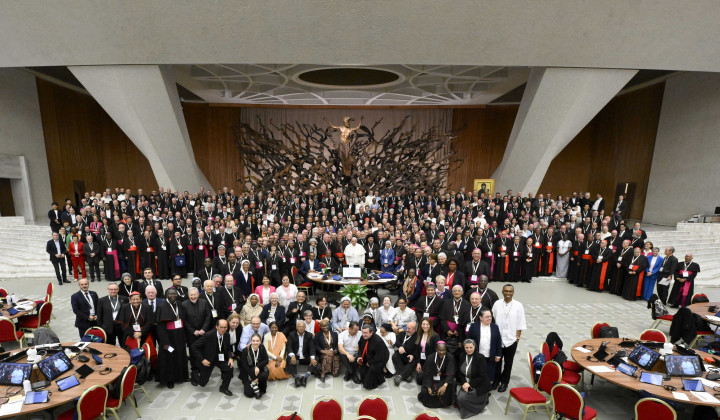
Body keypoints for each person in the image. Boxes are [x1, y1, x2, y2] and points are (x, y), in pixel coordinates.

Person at [491, 284, 526, 392]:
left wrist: (518, 336)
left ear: (513, 292)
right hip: (498, 339)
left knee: (508, 362)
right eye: (506, 291)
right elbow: (492, 319)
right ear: (502, 291)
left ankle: (504, 382)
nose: (508, 293)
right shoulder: (497, 304)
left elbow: (520, 321)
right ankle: (496, 381)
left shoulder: (518, 305)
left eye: (510, 291)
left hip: (511, 339)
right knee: (497, 361)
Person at [190, 319, 235, 396]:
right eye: (221, 327)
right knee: (202, 383)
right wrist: (202, 359)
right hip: (208, 359)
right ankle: (194, 374)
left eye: (225, 327)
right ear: (216, 326)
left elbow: (227, 349)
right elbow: (193, 347)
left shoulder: (227, 335)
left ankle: (224, 388)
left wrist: (230, 358)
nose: (223, 329)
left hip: (220, 358)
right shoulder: (208, 335)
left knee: (229, 368)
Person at [155, 288, 188, 389]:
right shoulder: (162, 306)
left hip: (180, 335)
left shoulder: (179, 304)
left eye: (174, 294)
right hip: (168, 338)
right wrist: (165, 342)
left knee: (181, 355)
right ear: (166, 296)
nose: (173, 295)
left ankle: (182, 376)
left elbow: (184, 319)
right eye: (170, 294)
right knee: (169, 358)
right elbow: (160, 327)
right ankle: (170, 379)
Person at [182, 287, 211, 385]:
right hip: (192, 334)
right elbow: (184, 320)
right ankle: (194, 372)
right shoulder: (184, 304)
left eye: (195, 295)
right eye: (191, 295)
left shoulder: (204, 302)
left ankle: (202, 369)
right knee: (193, 352)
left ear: (198, 294)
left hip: (203, 333)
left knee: (203, 351)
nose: (193, 297)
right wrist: (193, 331)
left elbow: (208, 316)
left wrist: (203, 329)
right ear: (188, 295)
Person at [456, 339, 492, 418]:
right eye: (466, 347)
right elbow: (459, 372)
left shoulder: (480, 357)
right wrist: (464, 383)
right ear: (464, 348)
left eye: (471, 347)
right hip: (466, 382)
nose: (469, 350)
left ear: (474, 347)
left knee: (463, 399)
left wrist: (469, 384)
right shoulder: (462, 356)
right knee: (459, 399)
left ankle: (481, 402)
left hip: (479, 384)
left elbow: (482, 376)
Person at [466, 307, 502, 385]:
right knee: (476, 372)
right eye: (487, 317)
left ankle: (485, 389)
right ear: (480, 317)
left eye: (490, 316)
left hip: (490, 355)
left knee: (488, 373)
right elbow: (468, 340)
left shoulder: (495, 327)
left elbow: (499, 341)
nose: (489, 318)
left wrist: (498, 354)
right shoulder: (474, 326)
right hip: (477, 354)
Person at [417, 341, 456, 408]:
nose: (441, 352)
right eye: (439, 350)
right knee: (425, 391)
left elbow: (450, 373)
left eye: (444, 350)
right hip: (432, 378)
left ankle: (443, 403)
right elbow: (427, 374)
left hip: (444, 379)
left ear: (446, 349)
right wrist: (428, 387)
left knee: (449, 387)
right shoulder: (430, 357)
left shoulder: (450, 357)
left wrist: (445, 385)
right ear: (436, 349)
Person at [355, 323, 390, 389]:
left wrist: (370, 362)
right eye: (363, 332)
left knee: (371, 372)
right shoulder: (363, 337)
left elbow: (380, 356)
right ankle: (364, 379)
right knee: (361, 364)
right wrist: (360, 357)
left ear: (371, 333)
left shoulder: (378, 341)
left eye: (366, 333)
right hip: (368, 356)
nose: (363, 335)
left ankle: (374, 382)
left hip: (379, 360)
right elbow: (361, 348)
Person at [285, 320, 317, 387]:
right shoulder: (291, 334)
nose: (301, 328)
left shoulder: (309, 335)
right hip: (296, 356)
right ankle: (296, 378)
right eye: (300, 326)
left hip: (305, 357)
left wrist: (312, 358)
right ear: (296, 327)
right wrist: (292, 355)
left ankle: (305, 377)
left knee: (316, 359)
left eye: (303, 326)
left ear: (305, 327)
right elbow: (289, 346)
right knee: (289, 358)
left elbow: (312, 347)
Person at [239, 333, 269, 399]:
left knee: (264, 375)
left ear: (260, 341)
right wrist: (253, 377)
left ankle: (256, 384)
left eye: (257, 341)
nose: (255, 343)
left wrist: (258, 367)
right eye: (253, 341)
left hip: (258, 371)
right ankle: (254, 383)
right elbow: (244, 366)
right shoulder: (245, 350)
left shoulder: (262, 347)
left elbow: (266, 360)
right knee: (249, 394)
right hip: (248, 372)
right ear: (251, 341)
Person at [392, 320, 418, 385]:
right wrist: (400, 346)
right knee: (395, 356)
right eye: (406, 327)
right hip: (402, 354)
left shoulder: (418, 337)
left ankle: (400, 376)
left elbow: (418, 349)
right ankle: (407, 376)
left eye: (409, 328)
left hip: (411, 355)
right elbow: (396, 340)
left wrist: (413, 355)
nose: (406, 329)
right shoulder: (403, 333)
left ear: (414, 329)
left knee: (411, 361)